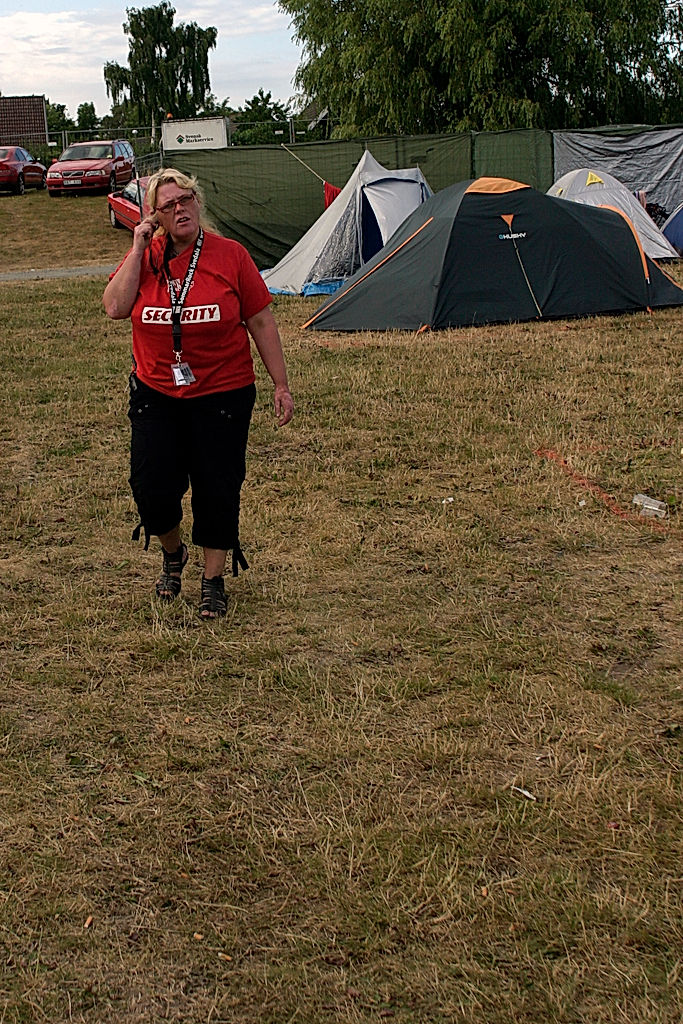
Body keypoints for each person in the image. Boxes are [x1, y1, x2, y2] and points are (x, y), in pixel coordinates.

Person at [103, 167, 294, 619]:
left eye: (185, 199)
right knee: (151, 486)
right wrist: (138, 249)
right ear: (155, 216)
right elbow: (114, 307)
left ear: (197, 202)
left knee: (217, 485)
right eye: (168, 206)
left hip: (223, 392)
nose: (180, 209)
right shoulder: (145, 257)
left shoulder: (230, 255)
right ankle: (174, 554)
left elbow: (261, 320)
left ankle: (212, 579)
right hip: (156, 391)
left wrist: (281, 384)